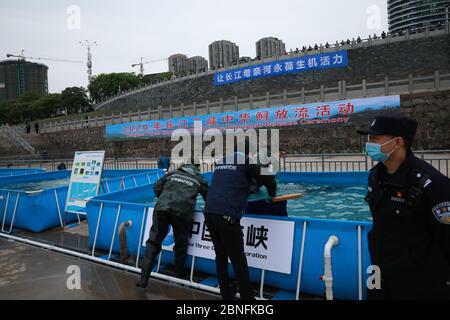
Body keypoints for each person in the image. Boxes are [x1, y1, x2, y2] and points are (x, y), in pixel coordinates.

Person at [357, 115, 450, 300]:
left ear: (397, 142)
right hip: (379, 272)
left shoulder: (431, 184)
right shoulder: (376, 176)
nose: (369, 143)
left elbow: (446, 238)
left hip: (418, 281)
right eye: (369, 138)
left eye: (375, 138)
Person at [203, 142, 277, 300]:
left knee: (221, 256)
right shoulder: (247, 161)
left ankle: (226, 295)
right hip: (226, 215)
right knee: (239, 261)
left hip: (209, 213)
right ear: (249, 152)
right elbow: (269, 179)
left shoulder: (222, 161)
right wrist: (272, 195)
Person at [136, 162, 209, 288]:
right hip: (182, 212)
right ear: (197, 169)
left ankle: (143, 280)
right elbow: (208, 197)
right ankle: (178, 275)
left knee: (153, 242)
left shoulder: (172, 173)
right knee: (181, 243)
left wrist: (165, 200)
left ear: (184, 166)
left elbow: (156, 187)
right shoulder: (199, 179)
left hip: (162, 208)